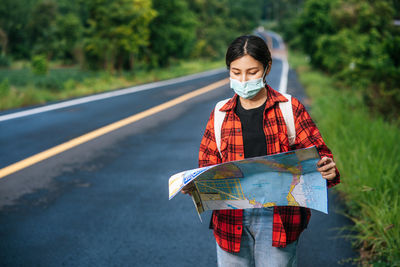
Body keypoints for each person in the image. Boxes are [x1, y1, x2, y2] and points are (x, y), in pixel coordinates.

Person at [182, 35, 340, 267]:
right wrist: (195, 186)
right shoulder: (220, 114)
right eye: (236, 72)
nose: (244, 80)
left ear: (267, 68)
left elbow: (320, 157)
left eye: (252, 72)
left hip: (278, 216)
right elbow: (207, 166)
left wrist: (327, 169)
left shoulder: (289, 108)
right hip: (230, 217)